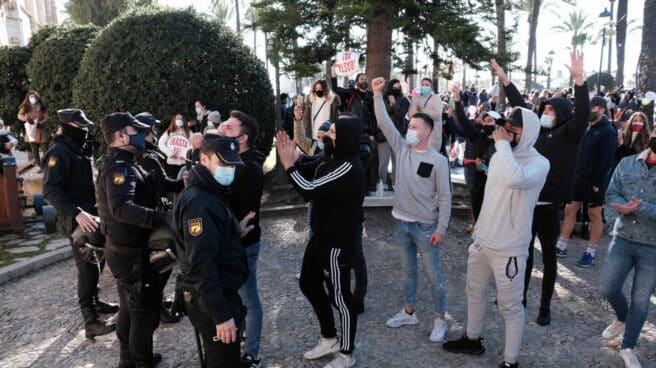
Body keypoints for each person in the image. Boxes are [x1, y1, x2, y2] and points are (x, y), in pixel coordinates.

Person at [442, 107, 549, 368]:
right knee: (474, 292)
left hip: (509, 247)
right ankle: (472, 338)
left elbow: (516, 179)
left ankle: (511, 361)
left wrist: (502, 146)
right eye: (506, 126)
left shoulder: (539, 162)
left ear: (529, 132)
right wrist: (477, 231)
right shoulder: (502, 153)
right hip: (483, 241)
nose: (506, 132)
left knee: (510, 306)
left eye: (514, 128)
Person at [491, 50, 590, 326]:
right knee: (522, 253)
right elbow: (521, 105)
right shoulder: (536, 132)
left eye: (550, 110)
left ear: (561, 114)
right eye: (544, 109)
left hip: (548, 207)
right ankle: (519, 299)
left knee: (548, 258)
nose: (546, 113)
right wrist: (504, 80)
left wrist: (579, 80)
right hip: (526, 204)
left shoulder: (570, 133)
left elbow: (582, 112)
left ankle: (545, 306)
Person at [275, 116, 366, 368]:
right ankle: (329, 338)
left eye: (334, 133)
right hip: (320, 238)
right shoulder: (331, 158)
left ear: (346, 138)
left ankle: (347, 354)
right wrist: (297, 159)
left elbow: (310, 189)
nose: (328, 135)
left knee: (341, 298)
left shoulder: (348, 166)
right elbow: (312, 167)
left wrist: (289, 166)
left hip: (338, 244)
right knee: (308, 282)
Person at [371, 77, 452, 342]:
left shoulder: (438, 161)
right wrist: (376, 94)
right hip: (400, 223)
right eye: (410, 125)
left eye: (416, 126)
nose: (410, 129)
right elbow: (383, 121)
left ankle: (440, 319)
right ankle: (409, 311)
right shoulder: (401, 148)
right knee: (408, 272)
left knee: (434, 276)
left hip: (426, 228)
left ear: (426, 131)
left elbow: (445, 197)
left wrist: (441, 229)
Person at [96, 112, 168, 368]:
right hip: (131, 254)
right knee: (142, 314)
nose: (139, 134)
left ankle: (127, 360)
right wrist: (163, 219)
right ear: (119, 136)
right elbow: (121, 208)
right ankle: (141, 362)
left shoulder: (125, 161)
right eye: (133, 130)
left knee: (129, 308)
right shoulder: (119, 167)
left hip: (125, 251)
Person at [173, 134, 251, 368]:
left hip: (219, 294)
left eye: (232, 164)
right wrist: (221, 315)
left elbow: (212, 238)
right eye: (224, 163)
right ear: (204, 158)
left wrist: (234, 231)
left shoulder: (209, 192)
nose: (229, 169)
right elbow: (201, 263)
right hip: (211, 300)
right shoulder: (199, 201)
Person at [42, 108, 118, 339]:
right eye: (80, 126)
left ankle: (95, 302)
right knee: (86, 266)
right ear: (68, 126)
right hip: (75, 218)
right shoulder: (59, 151)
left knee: (97, 261)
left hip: (91, 213)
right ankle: (90, 320)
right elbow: (50, 189)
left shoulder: (78, 149)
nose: (85, 130)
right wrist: (76, 213)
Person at [600, 129, 656, 368]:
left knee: (641, 300)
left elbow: (640, 206)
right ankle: (622, 317)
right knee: (608, 289)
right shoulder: (627, 163)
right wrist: (621, 211)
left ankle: (628, 347)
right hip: (622, 238)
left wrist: (639, 207)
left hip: (652, 246)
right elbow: (611, 193)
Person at [217, 111, 266, 368]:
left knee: (249, 297)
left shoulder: (250, 168)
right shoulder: (230, 161)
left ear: (242, 137)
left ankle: (253, 354)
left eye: (229, 127)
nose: (222, 129)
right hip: (228, 242)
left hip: (244, 244)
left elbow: (244, 215)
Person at [135, 112, 186, 325]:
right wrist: (182, 182)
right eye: (152, 129)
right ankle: (156, 306)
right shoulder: (148, 156)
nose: (155, 132)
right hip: (151, 214)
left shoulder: (142, 154)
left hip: (147, 214)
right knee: (164, 260)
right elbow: (163, 184)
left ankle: (155, 303)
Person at [556, 96, 618, 266]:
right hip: (578, 178)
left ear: (602, 110)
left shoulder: (608, 131)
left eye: (592, 109)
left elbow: (607, 160)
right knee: (570, 209)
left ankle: (590, 252)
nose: (588, 112)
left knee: (594, 214)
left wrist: (598, 182)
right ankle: (561, 245)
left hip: (594, 181)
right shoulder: (586, 127)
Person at [331, 66, 377, 191]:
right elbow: (335, 89)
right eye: (362, 79)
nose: (364, 81)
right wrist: (334, 75)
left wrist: (373, 133)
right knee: (351, 158)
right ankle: (351, 186)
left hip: (366, 133)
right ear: (357, 82)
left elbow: (374, 116)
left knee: (366, 156)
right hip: (351, 132)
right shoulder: (351, 93)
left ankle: (366, 187)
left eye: (366, 79)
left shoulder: (371, 96)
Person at [378, 79, 409, 188]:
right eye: (394, 87)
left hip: (399, 134)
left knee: (398, 160)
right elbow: (381, 113)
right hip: (384, 135)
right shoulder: (382, 99)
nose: (396, 89)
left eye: (398, 87)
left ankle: (396, 183)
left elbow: (401, 115)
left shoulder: (405, 101)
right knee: (383, 161)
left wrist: (394, 104)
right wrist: (391, 105)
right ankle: (382, 183)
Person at [408, 78, 443, 152]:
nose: (424, 86)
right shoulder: (416, 98)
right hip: (417, 137)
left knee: (430, 161)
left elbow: (437, 115)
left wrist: (422, 110)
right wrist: (416, 110)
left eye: (427, 85)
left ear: (431, 88)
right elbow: (410, 115)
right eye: (423, 85)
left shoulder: (436, 98)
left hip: (432, 137)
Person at [17, 91, 49, 173]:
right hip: (31, 131)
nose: (33, 98)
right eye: (31, 97)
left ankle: (46, 165)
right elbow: (19, 115)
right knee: (34, 151)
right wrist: (26, 118)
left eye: (34, 96)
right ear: (28, 98)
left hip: (41, 130)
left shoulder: (42, 106)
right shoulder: (26, 106)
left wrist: (40, 123)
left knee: (45, 150)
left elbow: (46, 117)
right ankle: (39, 166)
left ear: (37, 97)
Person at [158, 113, 191, 179]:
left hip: (184, 164)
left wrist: (186, 154)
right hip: (171, 164)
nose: (179, 120)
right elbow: (161, 143)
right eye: (177, 119)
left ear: (184, 121)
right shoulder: (169, 132)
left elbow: (193, 144)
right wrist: (170, 153)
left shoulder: (189, 133)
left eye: (181, 119)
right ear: (174, 120)